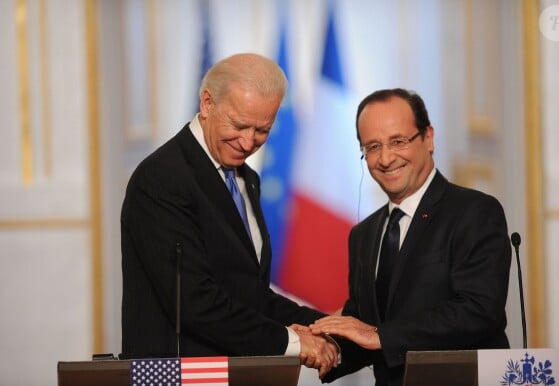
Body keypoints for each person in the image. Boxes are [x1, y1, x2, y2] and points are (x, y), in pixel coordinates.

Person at [120, 53, 337, 375]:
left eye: (262, 130)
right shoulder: (163, 177)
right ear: (207, 103)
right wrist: (292, 342)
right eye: (238, 125)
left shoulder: (246, 179)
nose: (248, 142)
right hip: (178, 376)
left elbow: (248, 293)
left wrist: (326, 325)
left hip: (238, 372)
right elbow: (193, 302)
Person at [309, 88, 511, 386]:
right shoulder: (363, 234)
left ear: (428, 138)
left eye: (398, 141)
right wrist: (326, 347)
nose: (386, 158)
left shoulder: (475, 212)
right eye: (373, 146)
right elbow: (365, 328)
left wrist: (379, 335)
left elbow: (479, 311)